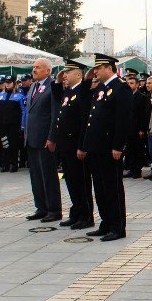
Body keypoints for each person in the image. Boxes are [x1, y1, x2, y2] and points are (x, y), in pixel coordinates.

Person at [80, 54, 133, 241]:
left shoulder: (121, 88)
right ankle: (105, 222)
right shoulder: (102, 88)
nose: (95, 71)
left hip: (109, 147)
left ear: (109, 68)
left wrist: (118, 146)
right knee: (100, 188)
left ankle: (118, 226)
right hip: (95, 146)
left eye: (98, 68)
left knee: (112, 188)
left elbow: (123, 120)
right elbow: (90, 115)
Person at [51, 60, 94, 230]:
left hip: (76, 144)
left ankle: (86, 215)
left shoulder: (82, 92)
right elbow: (56, 96)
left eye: (68, 72)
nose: (65, 75)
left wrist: (82, 146)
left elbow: (84, 122)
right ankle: (76, 212)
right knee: (71, 182)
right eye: (64, 72)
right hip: (66, 145)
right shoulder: (68, 92)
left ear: (78, 74)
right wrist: (57, 80)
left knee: (81, 182)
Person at [23, 58, 62, 223]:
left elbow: (55, 114)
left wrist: (52, 137)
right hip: (32, 138)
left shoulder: (52, 87)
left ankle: (54, 209)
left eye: (37, 67)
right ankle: (41, 207)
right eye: (33, 67)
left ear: (48, 71)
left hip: (45, 139)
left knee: (48, 176)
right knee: (36, 175)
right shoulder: (33, 86)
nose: (34, 70)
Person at [0, 77, 26, 173]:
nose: (7, 84)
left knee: (13, 145)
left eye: (9, 82)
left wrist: (22, 125)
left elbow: (23, 111)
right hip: (2, 124)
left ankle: (14, 164)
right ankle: (5, 164)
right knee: (4, 144)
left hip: (14, 125)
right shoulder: (0, 96)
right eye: (6, 82)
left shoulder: (19, 96)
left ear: (14, 83)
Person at [123, 69, 150, 179]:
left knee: (138, 149)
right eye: (128, 83)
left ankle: (137, 170)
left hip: (137, 128)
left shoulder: (142, 97)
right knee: (129, 150)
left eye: (132, 83)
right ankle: (131, 168)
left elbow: (144, 115)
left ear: (137, 84)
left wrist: (142, 129)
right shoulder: (126, 97)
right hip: (128, 128)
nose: (129, 85)